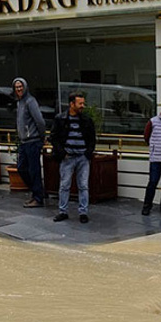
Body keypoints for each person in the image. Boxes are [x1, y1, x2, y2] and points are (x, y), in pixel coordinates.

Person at [50, 91, 96, 224]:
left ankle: (83, 212)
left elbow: (92, 139)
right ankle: (62, 211)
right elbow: (54, 137)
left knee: (83, 185)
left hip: (82, 157)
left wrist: (88, 153)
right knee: (64, 185)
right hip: (68, 156)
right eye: (80, 103)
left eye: (83, 103)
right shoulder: (61, 119)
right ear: (71, 104)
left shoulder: (86, 120)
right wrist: (62, 153)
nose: (82, 106)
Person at [13, 77, 48, 208]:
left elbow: (40, 121)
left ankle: (38, 198)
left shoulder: (30, 101)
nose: (19, 89)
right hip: (24, 142)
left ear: (25, 87)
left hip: (32, 141)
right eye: (16, 87)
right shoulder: (19, 102)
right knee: (21, 168)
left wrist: (42, 136)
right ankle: (37, 192)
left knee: (34, 170)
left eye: (20, 86)